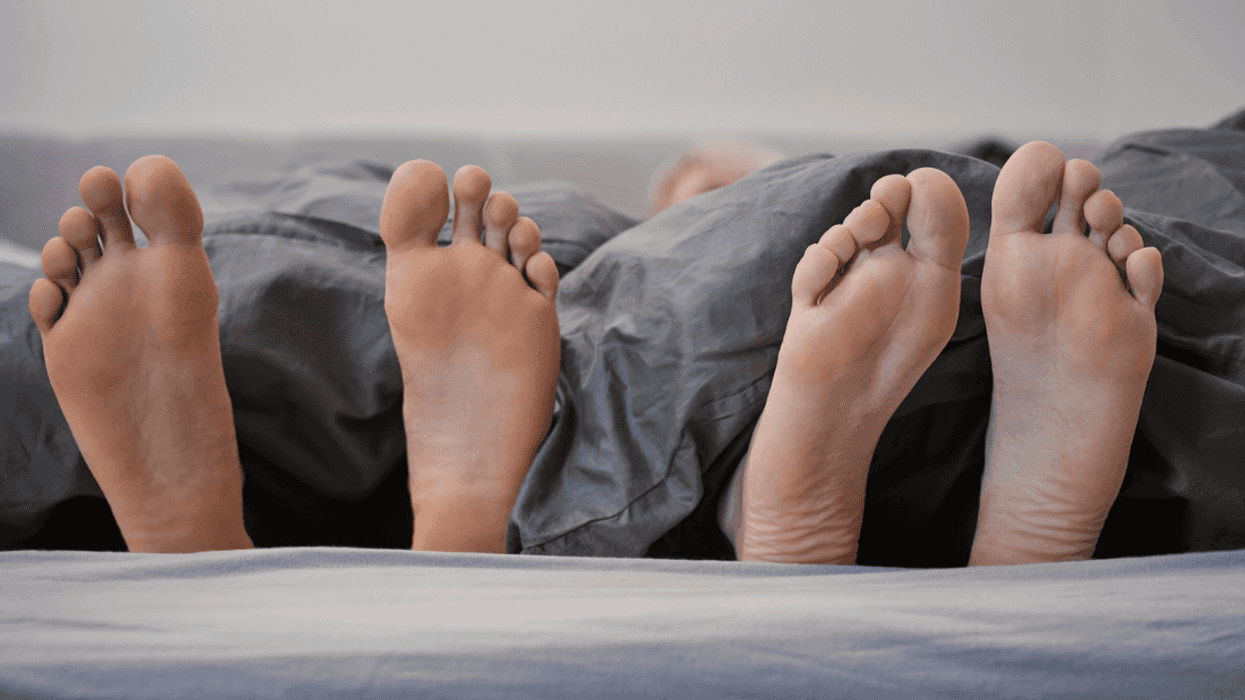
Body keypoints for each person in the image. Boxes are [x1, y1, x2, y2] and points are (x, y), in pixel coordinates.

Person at [27, 137, 1164, 566]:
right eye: (710, 186)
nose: (725, 194)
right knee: (701, 277)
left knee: (730, 274)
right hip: (657, 275)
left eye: (736, 182)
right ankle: (1012, 556)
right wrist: (717, 200)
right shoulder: (646, 223)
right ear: (668, 187)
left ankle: (204, 560)